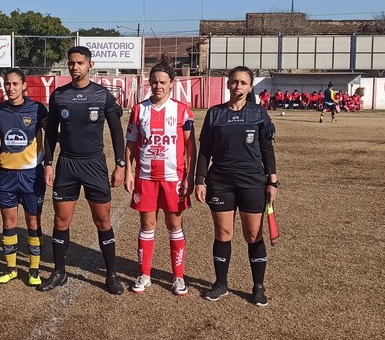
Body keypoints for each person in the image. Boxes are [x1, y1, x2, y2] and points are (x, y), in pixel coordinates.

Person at [39, 46, 127, 295]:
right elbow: (50, 134)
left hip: (94, 164)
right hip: (66, 164)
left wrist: (120, 164)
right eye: (71, 63)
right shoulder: (59, 96)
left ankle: (111, 274)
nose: (74, 67)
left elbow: (117, 131)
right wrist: (48, 162)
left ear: (90, 64)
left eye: (79, 62)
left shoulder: (102, 96)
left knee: (103, 221)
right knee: (61, 220)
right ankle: (59, 272)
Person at [194, 66, 278, 306]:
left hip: (252, 182)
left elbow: (266, 150)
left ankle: (258, 287)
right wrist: (200, 180)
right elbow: (205, 151)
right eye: (234, 82)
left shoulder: (259, 114)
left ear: (250, 87)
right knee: (223, 233)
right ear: (228, 84)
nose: (238, 86)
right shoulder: (214, 114)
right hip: (220, 181)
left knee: (253, 235)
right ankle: (221, 284)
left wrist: (273, 181)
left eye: (243, 82)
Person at [124, 61, 197, 296]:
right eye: (154, 82)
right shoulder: (138, 110)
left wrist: (190, 177)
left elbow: (190, 146)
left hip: (173, 178)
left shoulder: (182, 110)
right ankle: (144, 274)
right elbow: (131, 143)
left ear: (171, 84)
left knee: (174, 226)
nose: (158, 86)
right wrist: (127, 171)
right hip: (145, 177)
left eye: (163, 82)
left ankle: (178, 277)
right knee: (147, 226)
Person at [0, 68, 49, 286]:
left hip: (31, 174)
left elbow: (51, 136)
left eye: (15, 84)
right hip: (6, 175)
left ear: (24, 86)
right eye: (7, 84)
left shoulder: (37, 109)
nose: (11, 88)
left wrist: (49, 164)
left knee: (33, 221)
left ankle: (34, 269)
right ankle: (11, 268)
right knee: (9, 222)